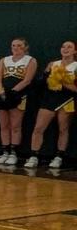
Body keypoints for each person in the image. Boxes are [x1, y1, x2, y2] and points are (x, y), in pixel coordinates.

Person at [26, 39, 75, 171]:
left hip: (67, 99)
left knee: (63, 129)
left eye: (69, 47)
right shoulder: (53, 64)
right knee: (38, 128)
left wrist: (62, 82)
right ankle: (34, 156)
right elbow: (42, 83)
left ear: (74, 51)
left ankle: (59, 157)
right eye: (63, 46)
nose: (65, 49)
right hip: (49, 98)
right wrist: (46, 78)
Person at [0, 37, 37, 168]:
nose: (16, 48)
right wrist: (1, 93)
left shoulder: (30, 60)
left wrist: (13, 92)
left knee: (15, 125)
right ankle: (5, 152)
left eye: (19, 45)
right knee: (4, 125)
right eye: (13, 45)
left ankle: (13, 153)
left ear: (25, 47)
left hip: (18, 95)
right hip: (3, 95)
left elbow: (27, 80)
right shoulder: (4, 60)